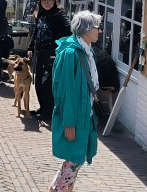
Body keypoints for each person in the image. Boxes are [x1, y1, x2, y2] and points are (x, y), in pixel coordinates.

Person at [49, 10, 102, 191]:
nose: (99, 30)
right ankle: (58, 189)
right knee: (74, 159)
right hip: (76, 116)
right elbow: (65, 91)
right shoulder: (71, 53)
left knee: (75, 160)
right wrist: (69, 123)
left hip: (85, 113)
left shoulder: (87, 50)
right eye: (96, 27)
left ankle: (56, 188)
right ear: (86, 29)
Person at [30, 0, 72, 122]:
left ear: (54, 1)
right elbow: (36, 32)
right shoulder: (40, 14)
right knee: (38, 83)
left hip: (52, 53)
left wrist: (60, 45)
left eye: (49, 0)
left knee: (47, 84)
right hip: (40, 52)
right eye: (43, 1)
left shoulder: (59, 15)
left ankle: (48, 112)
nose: (46, 3)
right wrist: (30, 47)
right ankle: (42, 108)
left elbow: (69, 29)